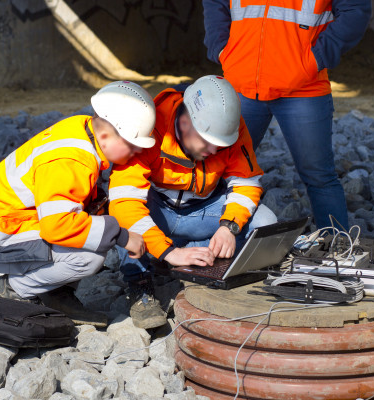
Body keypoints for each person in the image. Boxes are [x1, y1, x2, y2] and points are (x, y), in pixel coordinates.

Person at [0, 81, 154, 327]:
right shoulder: (71, 161)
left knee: (91, 227)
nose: (136, 153)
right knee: (89, 257)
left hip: (0, 224)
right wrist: (122, 236)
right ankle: (13, 288)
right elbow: (58, 226)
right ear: (105, 136)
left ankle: (54, 291)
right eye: (133, 146)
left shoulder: (81, 128)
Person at [109, 75, 277, 329]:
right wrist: (169, 252)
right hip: (156, 210)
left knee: (266, 222)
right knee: (123, 220)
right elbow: (125, 201)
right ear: (184, 122)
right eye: (207, 143)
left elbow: (247, 182)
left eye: (220, 146)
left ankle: (194, 258)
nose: (213, 151)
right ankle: (141, 284)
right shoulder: (149, 125)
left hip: (203, 210)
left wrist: (228, 227)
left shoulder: (229, 129)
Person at [203, 0, 372, 230]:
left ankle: (338, 250)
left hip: (304, 87)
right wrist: (221, 48)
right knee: (217, 170)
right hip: (242, 83)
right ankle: (209, 244)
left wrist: (315, 59)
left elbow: (355, 10)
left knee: (319, 176)